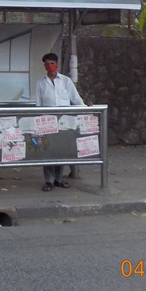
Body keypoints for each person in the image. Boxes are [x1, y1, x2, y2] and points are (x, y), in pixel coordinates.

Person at [35, 52, 88, 192]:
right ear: (44, 67)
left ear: (56, 64)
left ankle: (59, 179)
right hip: (47, 122)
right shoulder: (41, 83)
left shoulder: (66, 81)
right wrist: (39, 122)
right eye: (47, 64)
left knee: (61, 150)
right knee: (48, 151)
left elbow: (76, 99)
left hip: (64, 121)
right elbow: (38, 105)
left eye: (52, 63)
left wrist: (86, 109)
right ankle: (49, 180)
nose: (50, 66)